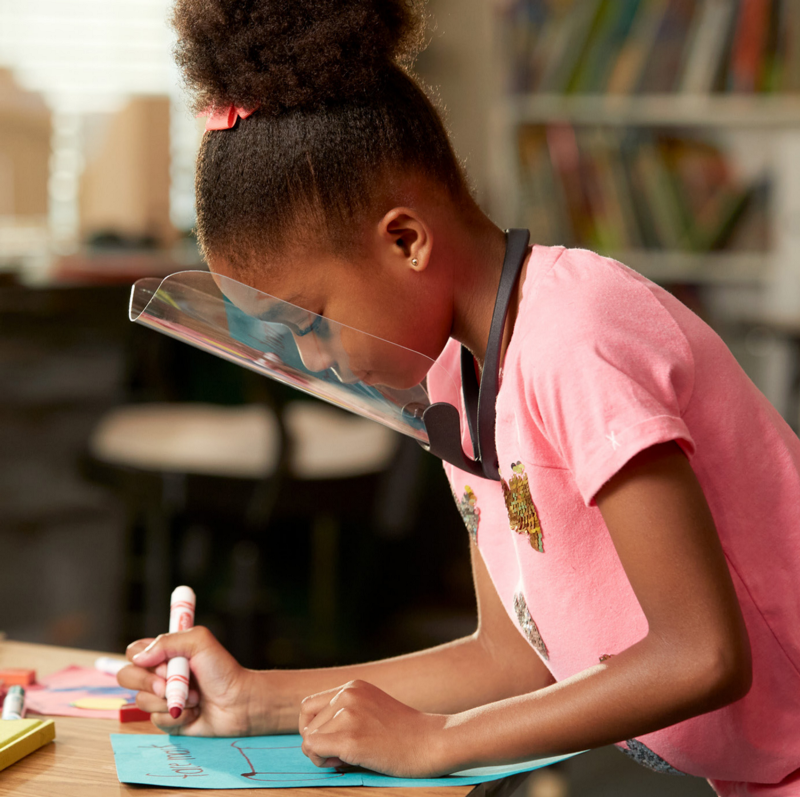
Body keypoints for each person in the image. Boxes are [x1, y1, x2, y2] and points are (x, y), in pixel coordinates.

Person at [118, 2, 800, 794]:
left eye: (311, 320)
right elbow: (512, 659)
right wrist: (254, 700)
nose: (313, 357)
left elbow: (701, 654)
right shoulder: (456, 376)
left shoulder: (576, 336)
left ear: (405, 240)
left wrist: (437, 742)